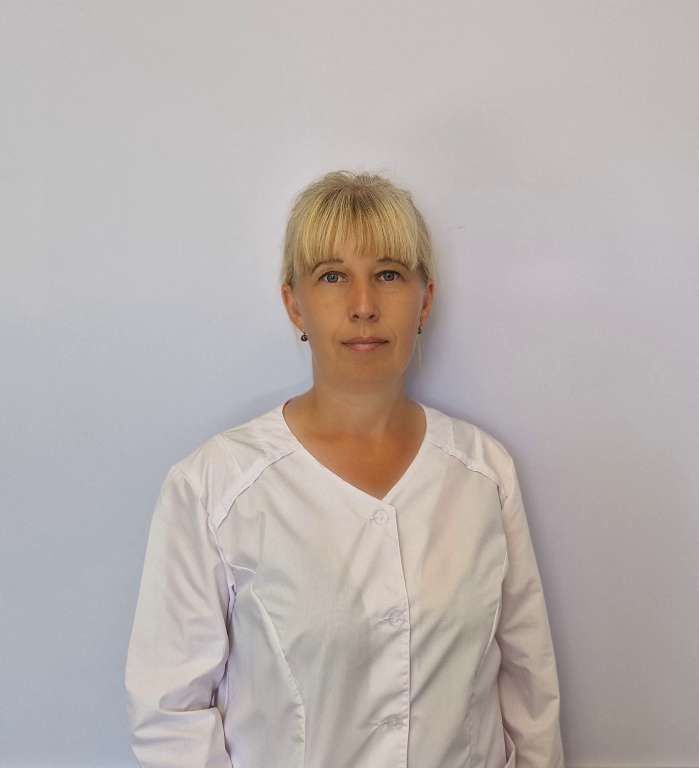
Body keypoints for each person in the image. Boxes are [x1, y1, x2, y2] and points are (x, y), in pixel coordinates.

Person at [124, 169, 566, 768]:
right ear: (294, 304)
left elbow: (529, 689)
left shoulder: (484, 473)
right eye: (332, 276)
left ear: (424, 301)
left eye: (389, 275)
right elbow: (169, 714)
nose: (363, 306)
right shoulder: (214, 485)